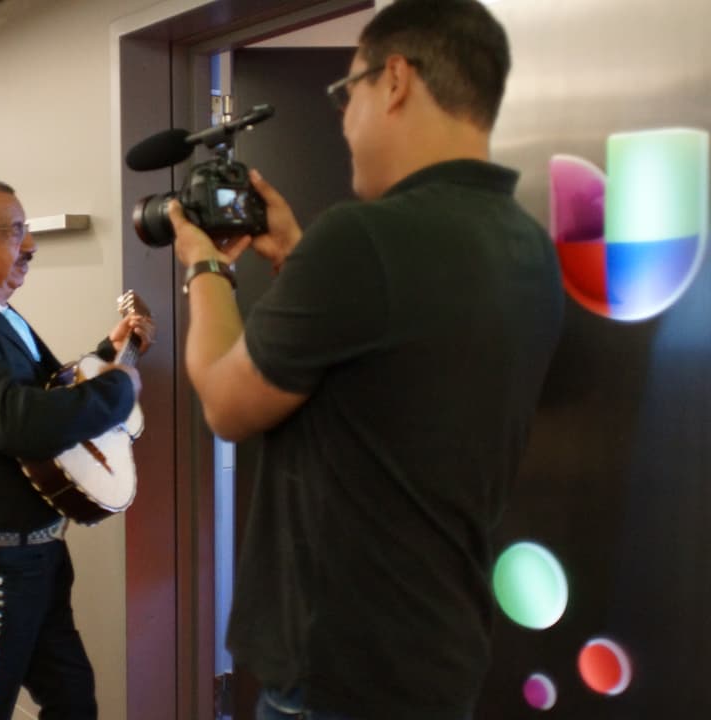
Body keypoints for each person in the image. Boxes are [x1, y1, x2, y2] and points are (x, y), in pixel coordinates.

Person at [169, 1, 564, 718]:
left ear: (396, 80)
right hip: (438, 650)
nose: (344, 118)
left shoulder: (362, 240)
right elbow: (389, 366)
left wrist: (205, 268)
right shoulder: (525, 243)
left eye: (345, 92)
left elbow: (227, 405)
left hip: (337, 669)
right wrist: (298, 254)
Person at [0, 177, 152, 719]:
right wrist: (119, 387)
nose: (30, 245)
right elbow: (21, 423)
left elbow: (41, 391)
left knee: (71, 700)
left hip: (34, 552)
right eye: (15, 232)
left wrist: (110, 352)